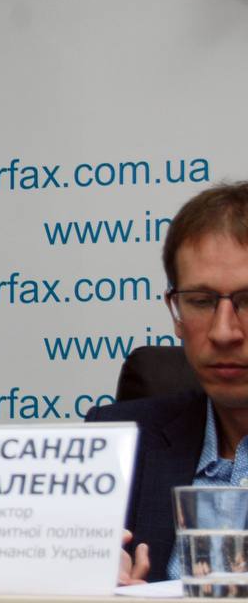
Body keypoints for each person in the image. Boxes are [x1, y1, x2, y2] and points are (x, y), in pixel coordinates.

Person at [87, 182, 248, 583]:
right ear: (175, 312)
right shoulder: (116, 441)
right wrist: (86, 576)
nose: (223, 332)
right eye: (201, 301)